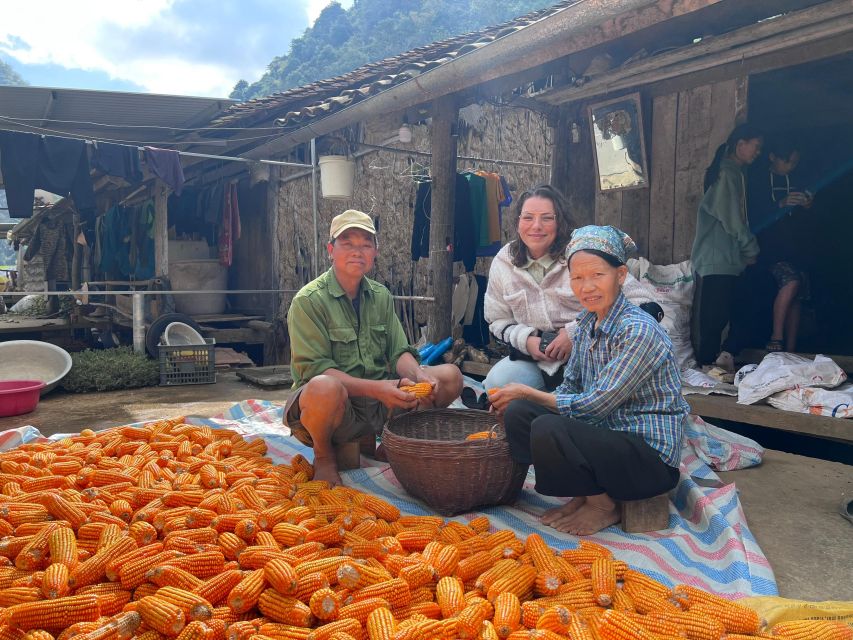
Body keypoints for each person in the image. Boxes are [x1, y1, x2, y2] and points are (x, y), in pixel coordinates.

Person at [491, 225, 687, 536]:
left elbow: (595, 405)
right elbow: (570, 388)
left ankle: (602, 506)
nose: (587, 287)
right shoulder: (585, 325)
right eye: (578, 278)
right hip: (606, 441)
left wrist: (530, 393)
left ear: (620, 275)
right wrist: (528, 401)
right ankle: (587, 494)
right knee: (519, 415)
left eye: (598, 275)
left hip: (647, 461)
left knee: (545, 424)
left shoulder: (639, 330)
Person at [285, 209, 463, 486]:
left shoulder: (381, 296)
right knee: (323, 388)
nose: (358, 251)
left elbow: (398, 351)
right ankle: (324, 456)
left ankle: (392, 443)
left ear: (375, 252)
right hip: (336, 409)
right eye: (348, 243)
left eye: (366, 244)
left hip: (380, 408)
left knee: (450, 375)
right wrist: (379, 388)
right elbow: (316, 371)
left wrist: (419, 374)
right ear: (330, 250)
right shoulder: (308, 301)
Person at [484, 184, 657, 392]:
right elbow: (497, 320)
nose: (536, 226)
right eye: (528, 217)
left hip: (596, 355)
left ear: (560, 222)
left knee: (590, 405)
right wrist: (527, 340)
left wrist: (575, 333)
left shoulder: (584, 252)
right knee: (499, 384)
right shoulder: (505, 261)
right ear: (518, 221)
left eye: (547, 218)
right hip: (537, 361)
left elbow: (646, 306)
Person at [690, 124, 763, 369]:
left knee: (723, 317)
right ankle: (706, 369)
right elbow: (732, 219)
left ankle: (716, 363)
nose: (758, 152)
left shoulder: (734, 172)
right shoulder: (727, 173)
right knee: (714, 321)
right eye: (756, 146)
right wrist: (750, 249)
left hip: (726, 260)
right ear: (740, 144)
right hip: (717, 259)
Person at [749, 139, 813, 352]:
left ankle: (790, 350)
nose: (791, 166)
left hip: (798, 246)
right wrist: (780, 204)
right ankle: (776, 339)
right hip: (769, 249)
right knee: (791, 282)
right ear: (772, 157)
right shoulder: (757, 181)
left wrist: (807, 203)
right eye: (787, 162)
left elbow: (815, 209)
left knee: (797, 295)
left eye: (795, 162)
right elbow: (752, 213)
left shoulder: (799, 178)